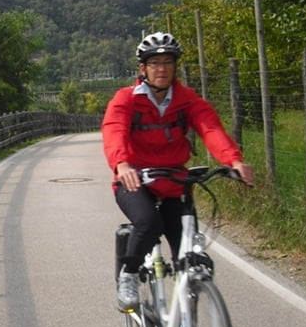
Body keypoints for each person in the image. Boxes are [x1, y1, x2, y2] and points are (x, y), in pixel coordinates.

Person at [101, 31, 254, 312]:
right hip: (135, 180)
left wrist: (233, 160)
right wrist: (122, 165)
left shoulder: (186, 99)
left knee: (189, 254)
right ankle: (129, 275)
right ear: (143, 68)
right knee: (148, 223)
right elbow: (114, 131)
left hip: (174, 182)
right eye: (155, 63)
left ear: (175, 67)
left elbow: (210, 128)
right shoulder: (126, 99)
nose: (162, 69)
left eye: (168, 62)